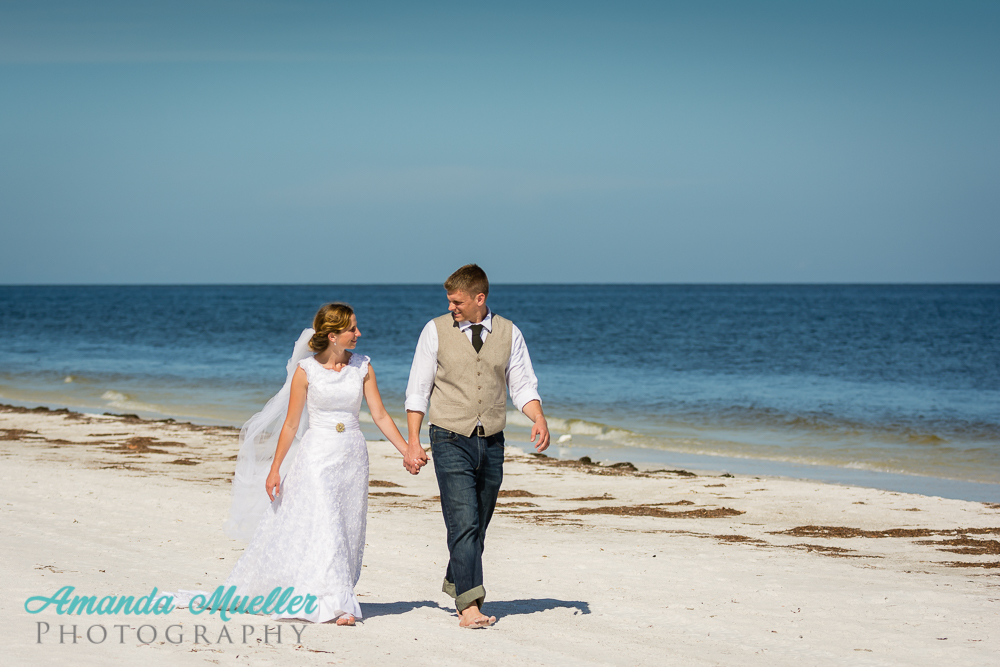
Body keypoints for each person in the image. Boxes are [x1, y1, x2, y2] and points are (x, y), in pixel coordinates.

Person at [219, 302, 410, 625]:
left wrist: (406, 449)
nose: (359, 333)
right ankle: (340, 604)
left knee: (347, 524)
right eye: (352, 329)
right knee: (327, 522)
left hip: (352, 456)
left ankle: (336, 593)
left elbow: (378, 413)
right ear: (333, 335)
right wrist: (275, 467)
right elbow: (292, 424)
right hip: (316, 456)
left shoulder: (363, 366)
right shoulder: (305, 371)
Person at [404, 264, 550, 628]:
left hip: (493, 441)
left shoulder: (509, 333)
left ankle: (457, 581)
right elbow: (418, 390)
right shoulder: (434, 330)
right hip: (449, 436)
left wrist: (539, 418)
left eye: (457, 301)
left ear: (479, 298)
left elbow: (522, 386)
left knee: (477, 524)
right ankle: (470, 606)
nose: (451, 307)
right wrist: (413, 441)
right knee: (464, 522)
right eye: (449, 301)